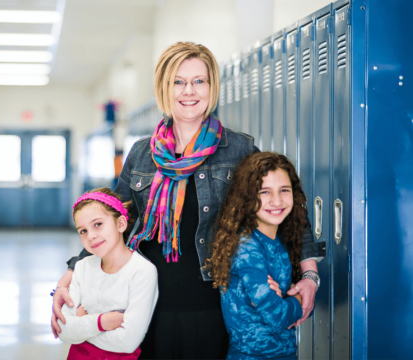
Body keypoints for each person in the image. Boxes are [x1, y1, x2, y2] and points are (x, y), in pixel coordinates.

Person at [52, 42, 324, 359]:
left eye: (199, 81)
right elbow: (109, 222)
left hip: (211, 303)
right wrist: (70, 276)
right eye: (178, 81)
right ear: (164, 88)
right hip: (145, 301)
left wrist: (309, 276)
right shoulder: (141, 153)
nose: (189, 91)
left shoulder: (237, 149)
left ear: (212, 87)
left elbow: (288, 214)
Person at [209, 152, 316, 360]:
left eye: (284, 190)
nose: (276, 201)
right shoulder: (246, 247)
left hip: (285, 354)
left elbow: (303, 310)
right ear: (247, 196)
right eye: (264, 192)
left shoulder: (282, 239)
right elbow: (277, 315)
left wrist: (289, 300)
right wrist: (295, 296)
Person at [57, 187, 158, 360]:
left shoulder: (142, 271)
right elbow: (63, 330)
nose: (91, 236)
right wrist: (102, 322)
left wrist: (81, 326)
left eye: (98, 224)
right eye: (83, 231)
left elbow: (128, 342)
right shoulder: (82, 267)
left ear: (120, 224)